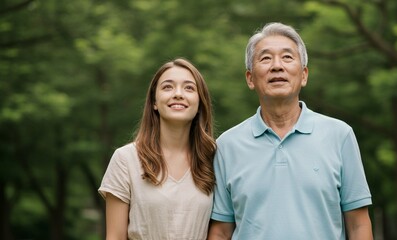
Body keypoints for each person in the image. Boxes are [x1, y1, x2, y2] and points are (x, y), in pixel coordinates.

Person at [208, 22, 373, 240]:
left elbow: (358, 224)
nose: (277, 66)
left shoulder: (339, 135)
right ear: (250, 78)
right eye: (265, 58)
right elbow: (220, 231)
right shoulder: (227, 145)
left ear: (304, 75)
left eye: (287, 57)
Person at [99, 58, 216, 239]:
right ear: (154, 102)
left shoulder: (215, 159)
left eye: (189, 88)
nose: (178, 94)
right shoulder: (125, 159)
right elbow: (115, 237)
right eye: (168, 87)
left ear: (200, 103)